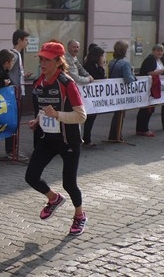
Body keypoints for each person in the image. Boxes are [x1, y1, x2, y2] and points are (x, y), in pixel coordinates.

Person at [25, 42, 88, 236]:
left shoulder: (67, 83)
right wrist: (37, 120)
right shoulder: (39, 82)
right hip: (48, 139)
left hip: (69, 140)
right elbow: (43, 109)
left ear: (59, 61)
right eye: (41, 59)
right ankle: (54, 199)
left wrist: (57, 115)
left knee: (69, 183)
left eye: (47, 60)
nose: (43, 63)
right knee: (31, 177)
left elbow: (81, 116)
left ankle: (79, 216)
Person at [6, 29, 32, 160]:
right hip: (14, 93)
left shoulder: (16, 54)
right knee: (14, 123)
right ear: (19, 40)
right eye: (26, 40)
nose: (27, 42)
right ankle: (12, 150)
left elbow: (13, 72)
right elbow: (7, 70)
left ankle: (12, 150)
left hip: (17, 91)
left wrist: (23, 75)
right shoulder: (14, 54)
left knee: (14, 122)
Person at [135, 44, 164, 136]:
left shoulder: (160, 60)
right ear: (153, 51)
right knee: (146, 109)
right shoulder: (150, 59)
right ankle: (142, 129)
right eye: (158, 50)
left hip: (155, 86)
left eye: (161, 51)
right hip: (148, 87)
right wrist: (163, 70)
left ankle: (143, 128)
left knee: (150, 108)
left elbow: (160, 72)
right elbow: (150, 72)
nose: (160, 52)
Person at [107, 41, 135, 142]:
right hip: (122, 91)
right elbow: (128, 79)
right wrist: (133, 77)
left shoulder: (112, 61)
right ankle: (117, 135)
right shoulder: (125, 63)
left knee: (117, 113)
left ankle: (113, 134)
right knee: (120, 114)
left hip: (114, 90)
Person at [82, 44, 106, 146]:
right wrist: (101, 66)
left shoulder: (91, 64)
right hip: (89, 95)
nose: (103, 58)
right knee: (89, 117)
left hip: (93, 96)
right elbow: (99, 76)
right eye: (101, 56)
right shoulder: (90, 66)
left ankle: (86, 138)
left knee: (90, 118)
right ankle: (86, 139)